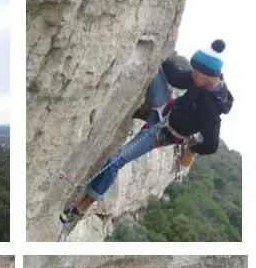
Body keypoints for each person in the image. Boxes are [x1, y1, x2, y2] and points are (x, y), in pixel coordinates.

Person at [61, 40, 234, 224]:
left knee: (116, 161)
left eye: (197, 72)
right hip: (165, 108)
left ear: (209, 75)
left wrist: (191, 148)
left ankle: (83, 206)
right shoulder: (200, 79)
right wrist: (161, 50)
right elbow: (175, 77)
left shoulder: (212, 107)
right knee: (154, 66)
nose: (193, 74)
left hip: (164, 133)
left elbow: (211, 145)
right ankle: (145, 109)